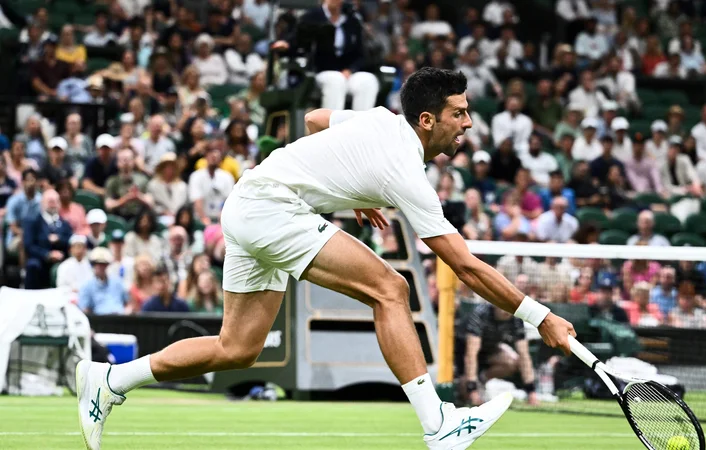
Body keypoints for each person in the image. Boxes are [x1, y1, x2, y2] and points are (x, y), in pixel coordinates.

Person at [76, 68, 576, 450]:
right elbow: (463, 266)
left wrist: (349, 188)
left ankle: (109, 379)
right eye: (458, 114)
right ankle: (439, 425)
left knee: (238, 348)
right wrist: (540, 316)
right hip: (271, 209)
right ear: (427, 120)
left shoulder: (380, 120)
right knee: (392, 289)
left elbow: (316, 121)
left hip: (248, 203)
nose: (467, 123)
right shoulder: (405, 171)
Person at [460, 303, 538, 407]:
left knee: (512, 361)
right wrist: (472, 389)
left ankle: (481, 380)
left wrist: (531, 391)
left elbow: (524, 354)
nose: (506, 311)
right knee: (466, 394)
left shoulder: (515, 319)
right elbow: (471, 354)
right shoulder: (481, 313)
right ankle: (470, 385)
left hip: (490, 353)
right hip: (462, 355)